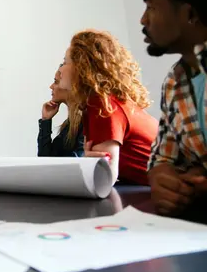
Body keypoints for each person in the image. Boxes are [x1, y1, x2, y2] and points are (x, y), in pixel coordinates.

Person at [140, 0, 207, 216]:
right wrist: (162, 179)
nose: (144, 20)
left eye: (152, 6)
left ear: (189, 13)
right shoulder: (175, 82)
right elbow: (162, 158)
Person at [58, 30, 158, 186]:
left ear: (82, 67)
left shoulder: (102, 104)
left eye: (65, 62)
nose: (60, 70)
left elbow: (105, 178)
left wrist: (90, 165)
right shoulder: (110, 100)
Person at [37, 68, 84, 157]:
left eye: (56, 82)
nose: (51, 86)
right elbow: (45, 159)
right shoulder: (69, 124)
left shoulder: (85, 121)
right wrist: (46, 121)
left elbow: (77, 163)